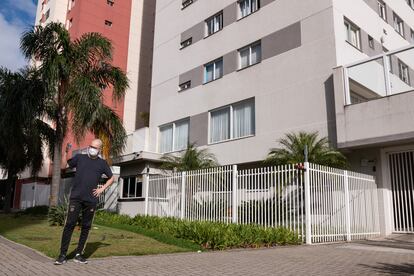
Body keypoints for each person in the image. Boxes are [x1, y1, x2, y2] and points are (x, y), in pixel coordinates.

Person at [54, 139, 114, 265]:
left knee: (86, 227)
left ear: (99, 149)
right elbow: (63, 166)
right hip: (76, 198)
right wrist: (65, 152)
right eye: (90, 146)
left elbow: (112, 178)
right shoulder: (80, 158)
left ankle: (78, 254)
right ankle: (62, 255)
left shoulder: (102, 163)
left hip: (91, 200)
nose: (91, 148)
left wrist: (102, 188)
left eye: (94, 147)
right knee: (69, 225)